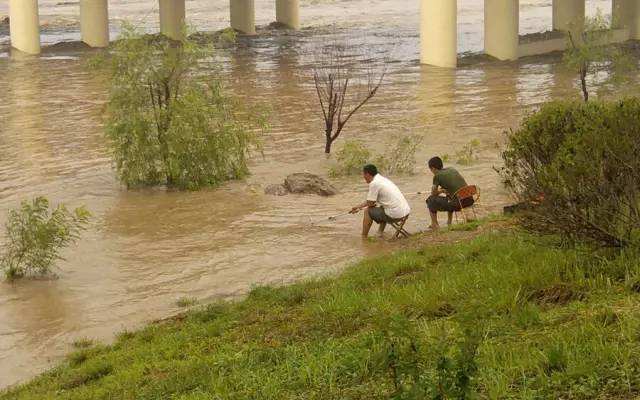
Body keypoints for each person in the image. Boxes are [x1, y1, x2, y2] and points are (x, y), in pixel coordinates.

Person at [350, 164, 411, 238]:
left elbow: (370, 203)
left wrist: (357, 207)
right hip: (405, 211)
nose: (363, 177)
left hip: (396, 214)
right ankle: (380, 233)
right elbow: (372, 202)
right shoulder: (382, 179)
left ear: (367, 174)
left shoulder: (374, 183)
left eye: (363, 174)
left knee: (367, 211)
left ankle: (364, 237)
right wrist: (359, 207)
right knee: (382, 207)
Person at [426, 156, 473, 229]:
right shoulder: (452, 169)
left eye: (430, 169)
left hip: (459, 203)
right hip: (469, 200)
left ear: (433, 168)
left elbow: (433, 194)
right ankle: (449, 222)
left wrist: (440, 191)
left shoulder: (437, 176)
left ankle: (434, 224)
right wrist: (445, 190)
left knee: (430, 200)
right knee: (449, 195)